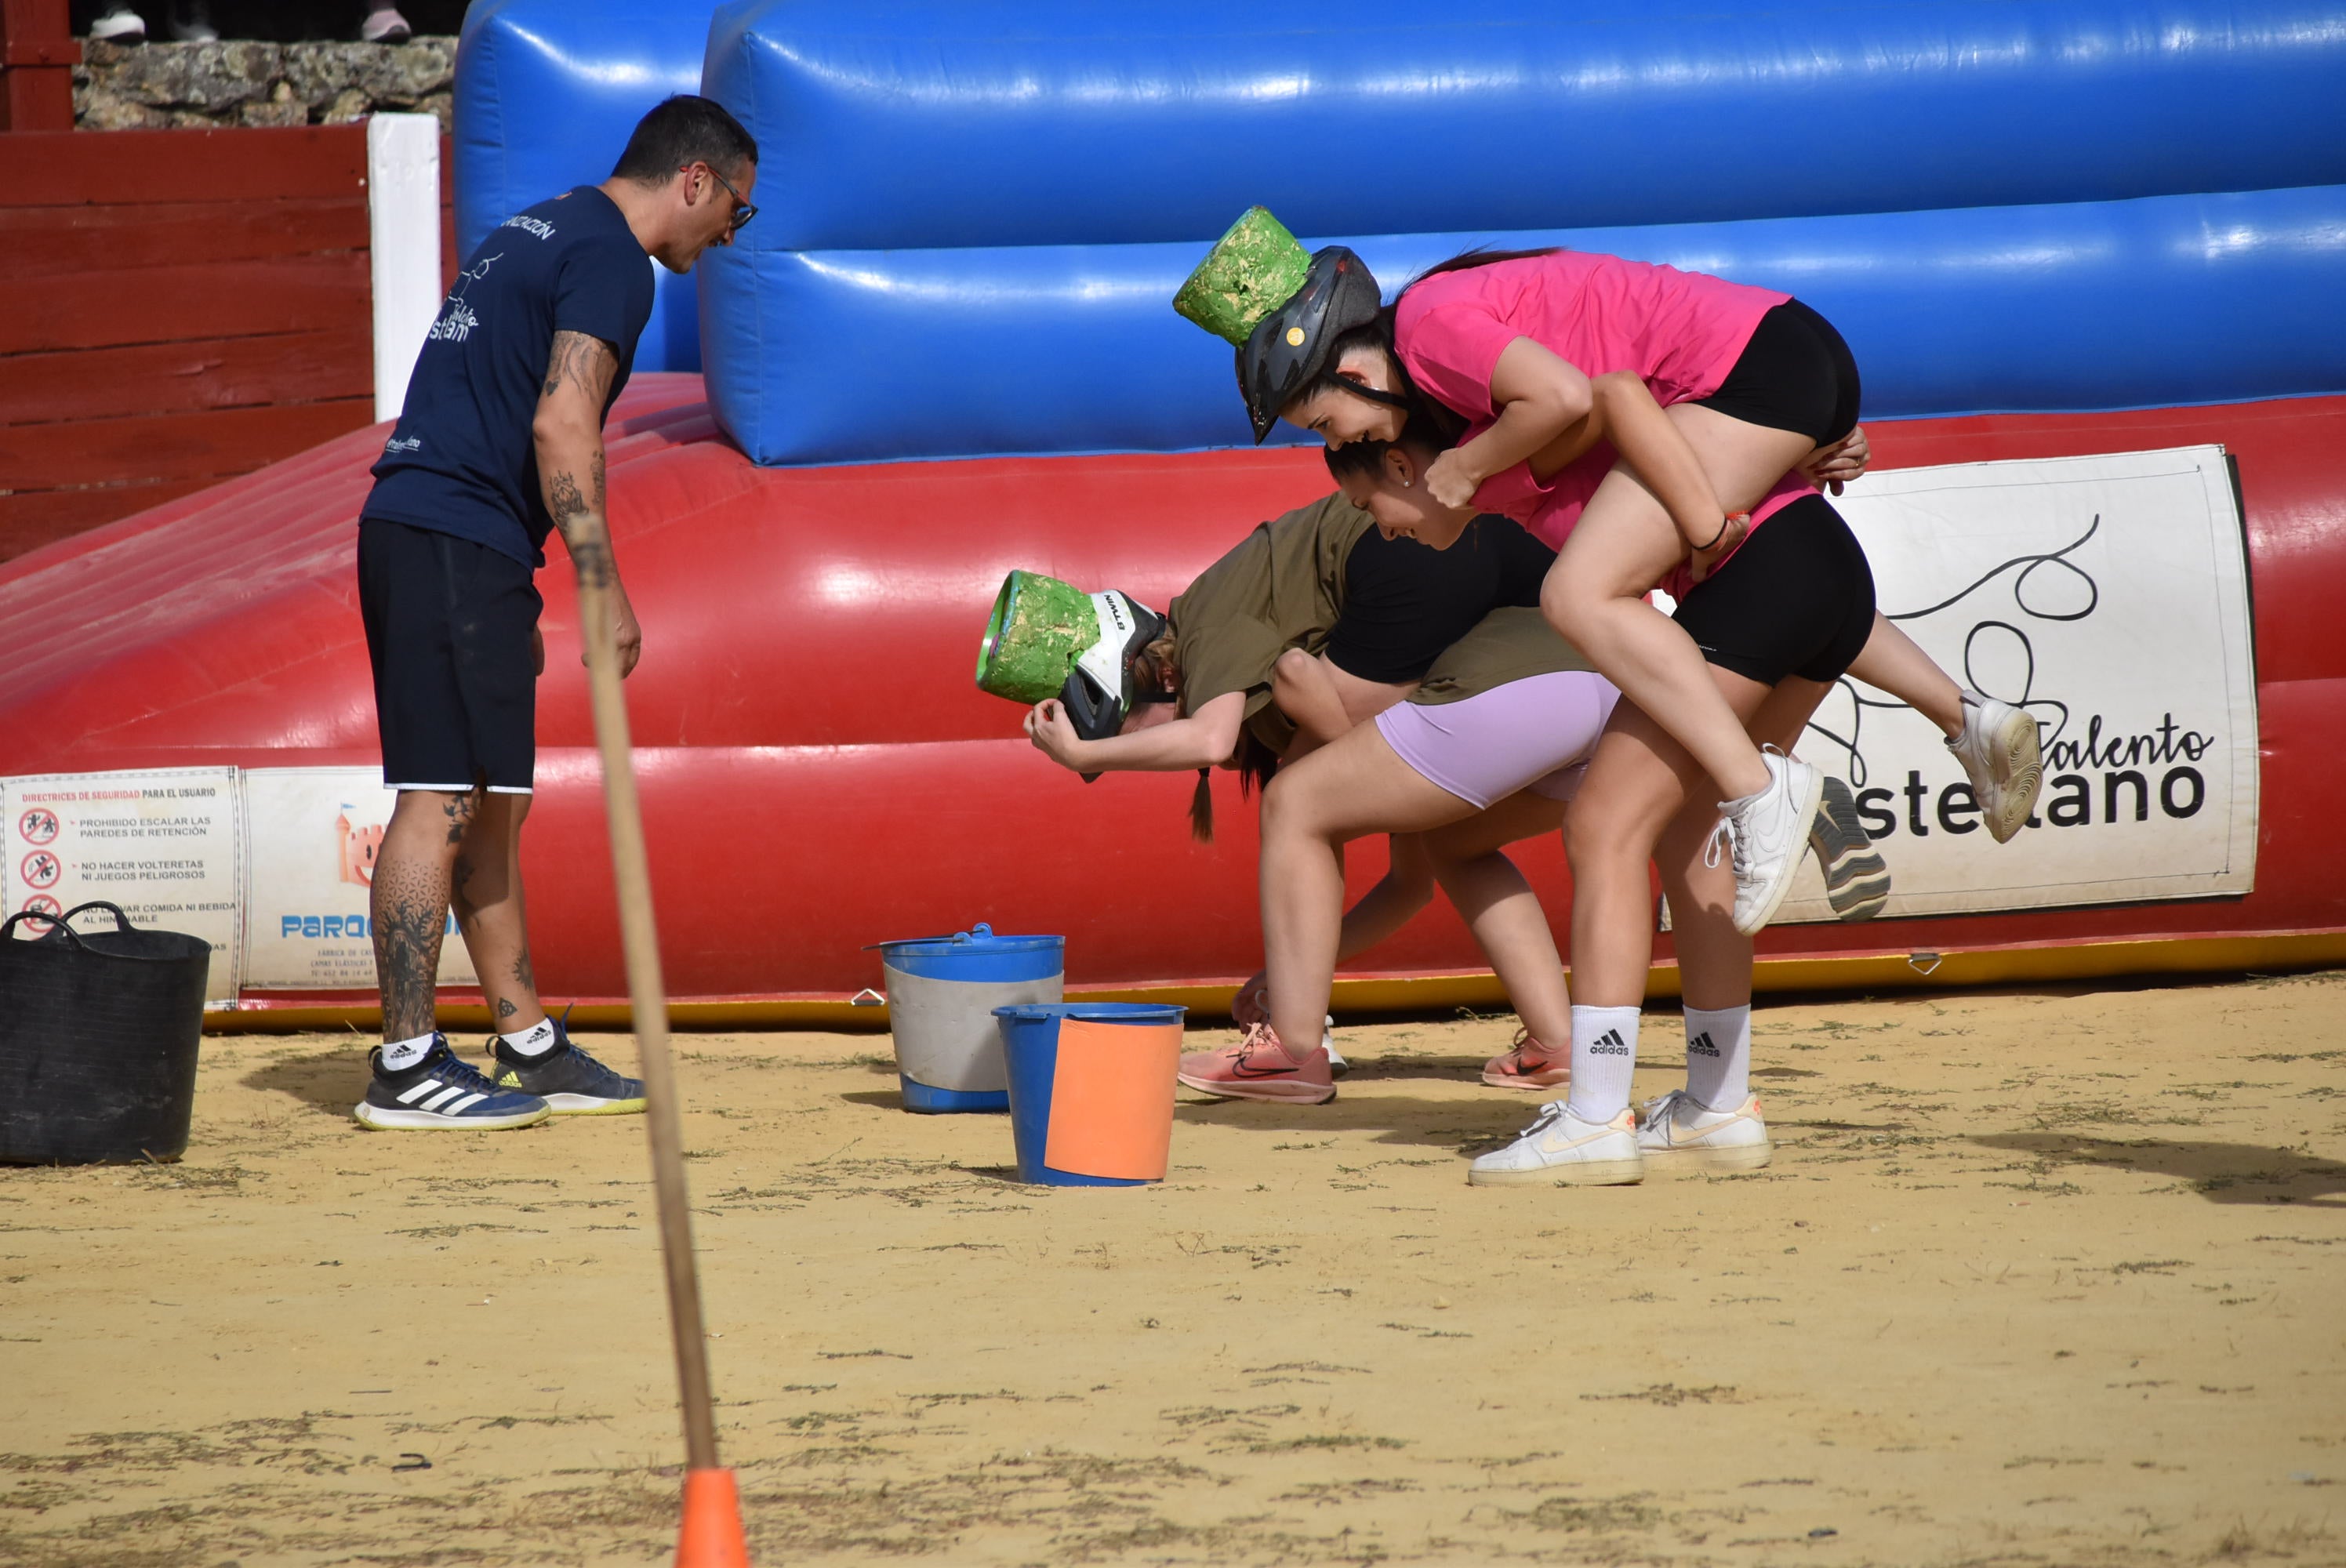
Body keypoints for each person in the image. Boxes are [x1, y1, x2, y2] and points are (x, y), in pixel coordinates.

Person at [1235, 241, 2041, 937]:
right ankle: (1967, 716)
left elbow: (1576, 394)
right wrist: (1762, 470)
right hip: (1784, 359)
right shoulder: (1457, 389)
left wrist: (1470, 467)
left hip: (1748, 367)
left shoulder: (1426, 328)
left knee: (1576, 599)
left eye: (1323, 424)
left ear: (1346, 370)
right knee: (1735, 580)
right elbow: (1611, 408)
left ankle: (1760, 788)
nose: (1339, 441)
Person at [349, 94, 757, 1130]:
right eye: (736, 213)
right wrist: (599, 578)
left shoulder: (541, 224)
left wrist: (518, 575)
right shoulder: (614, 257)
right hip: (450, 532)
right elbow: (562, 419)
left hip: (461, 538)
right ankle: (405, 1066)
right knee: (438, 798)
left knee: (492, 804)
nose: (727, 238)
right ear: (695, 181)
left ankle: (527, 1039)